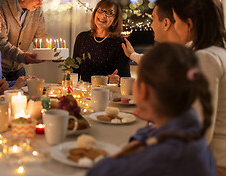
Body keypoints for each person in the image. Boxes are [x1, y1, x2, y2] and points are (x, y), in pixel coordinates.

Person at [88, 43, 217, 176]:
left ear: (144, 90)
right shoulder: (187, 124)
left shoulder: (157, 157)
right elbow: (148, 132)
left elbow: (97, 172)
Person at [171, 0, 226, 175]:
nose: (174, 27)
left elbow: (200, 130)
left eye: (176, 21)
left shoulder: (206, 58)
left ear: (190, 23)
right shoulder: (218, 52)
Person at [0, 0, 49, 81]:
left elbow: (41, 36)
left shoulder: (36, 10)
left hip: (18, 70)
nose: (40, 4)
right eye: (37, 0)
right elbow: (0, 42)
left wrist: (52, 54)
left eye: (42, 0)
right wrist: (23, 56)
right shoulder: (0, 6)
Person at [72, 0, 130, 83]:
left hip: (108, 93)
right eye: (100, 11)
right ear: (95, 13)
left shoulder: (120, 43)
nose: (103, 16)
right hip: (84, 92)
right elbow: (74, 71)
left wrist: (117, 80)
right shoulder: (82, 38)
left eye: (110, 13)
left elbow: (125, 78)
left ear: (114, 20)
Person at [121, 0, 180, 64]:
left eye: (153, 20)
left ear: (166, 23)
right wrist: (132, 55)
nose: (151, 26)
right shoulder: (174, 53)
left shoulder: (186, 60)